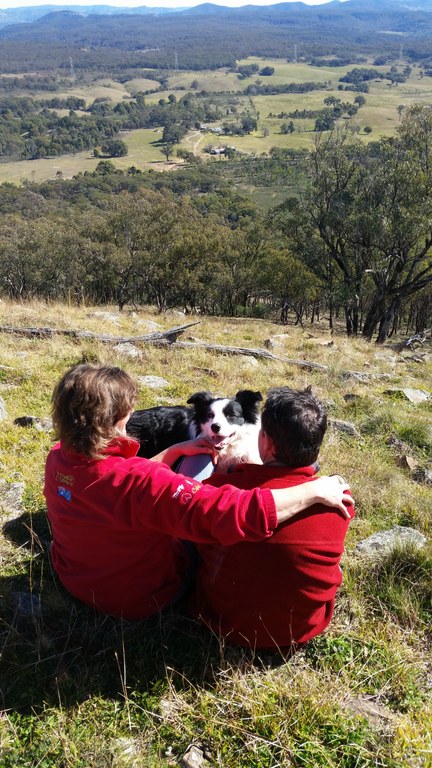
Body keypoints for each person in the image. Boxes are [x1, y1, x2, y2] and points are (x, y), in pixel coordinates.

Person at [44, 365, 353, 621]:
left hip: (73, 578)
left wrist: (176, 450)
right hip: (139, 599)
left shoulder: (59, 456)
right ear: (117, 419)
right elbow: (233, 513)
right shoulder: (145, 482)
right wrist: (313, 490)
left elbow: (115, 484)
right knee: (203, 535)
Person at [191, 386, 355, 651]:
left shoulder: (223, 487)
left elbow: (197, 534)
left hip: (222, 621)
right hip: (300, 629)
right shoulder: (339, 498)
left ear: (265, 440)